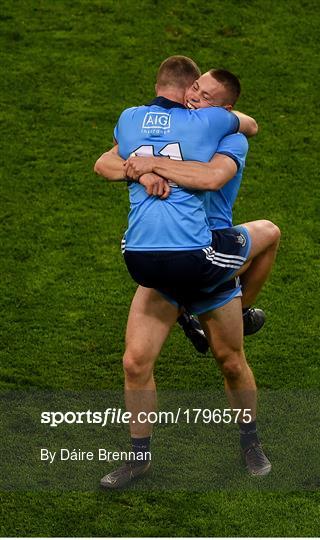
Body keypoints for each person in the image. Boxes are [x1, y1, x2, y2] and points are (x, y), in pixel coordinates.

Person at [94, 57, 279, 488]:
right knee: (135, 360)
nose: (194, 98)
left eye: (206, 97)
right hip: (168, 256)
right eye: (194, 89)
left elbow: (212, 177)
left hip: (210, 256)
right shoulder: (173, 125)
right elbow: (106, 160)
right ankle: (138, 458)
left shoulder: (228, 139)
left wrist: (150, 166)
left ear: (223, 112)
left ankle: (250, 441)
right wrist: (136, 172)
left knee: (230, 361)